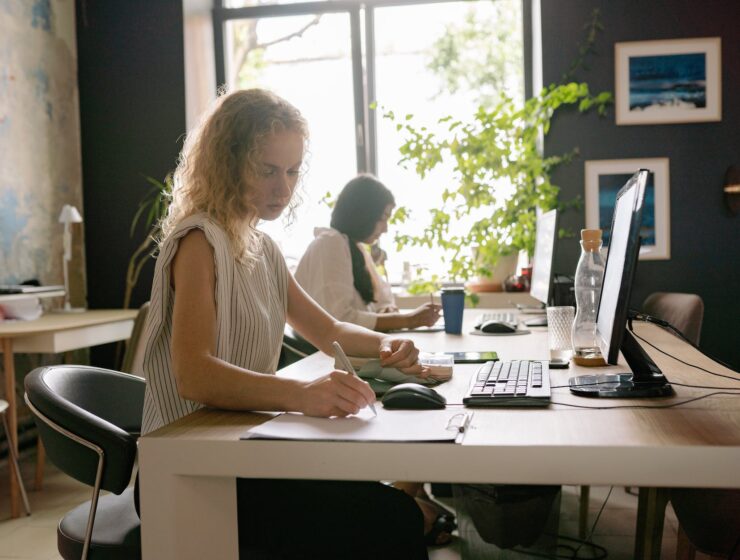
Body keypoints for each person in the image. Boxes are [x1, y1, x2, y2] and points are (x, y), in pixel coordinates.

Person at [137, 88, 446, 559]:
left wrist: (389, 343)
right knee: (392, 518)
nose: (283, 188)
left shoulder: (263, 248)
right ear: (227, 163)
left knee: (382, 505)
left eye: (293, 170)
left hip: (241, 449)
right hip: (191, 467)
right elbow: (193, 374)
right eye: (267, 171)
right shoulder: (199, 241)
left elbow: (331, 331)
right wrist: (299, 394)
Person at [295, 174, 441, 332]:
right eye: (383, 218)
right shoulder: (330, 243)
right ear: (363, 214)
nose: (385, 229)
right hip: (325, 354)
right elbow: (340, 319)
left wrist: (386, 311)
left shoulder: (355, 248)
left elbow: (382, 302)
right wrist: (408, 320)